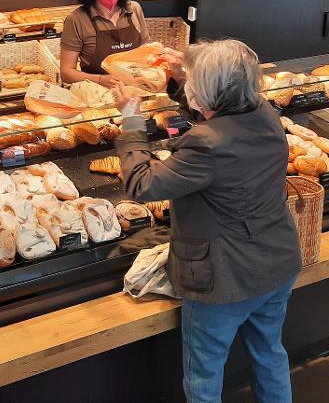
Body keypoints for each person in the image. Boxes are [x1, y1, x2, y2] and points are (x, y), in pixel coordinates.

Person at [114, 39, 301, 403]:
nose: (190, 87)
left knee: (203, 377)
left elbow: (141, 184)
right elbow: (217, 108)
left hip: (224, 278)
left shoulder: (206, 144)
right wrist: (177, 80)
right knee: (270, 354)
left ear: (212, 92)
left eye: (194, 82)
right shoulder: (264, 112)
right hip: (276, 263)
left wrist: (131, 120)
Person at [59, 0, 148, 88]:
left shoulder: (134, 10)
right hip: (97, 98)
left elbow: (146, 52)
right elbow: (66, 72)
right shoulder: (77, 19)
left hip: (135, 93)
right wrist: (100, 80)